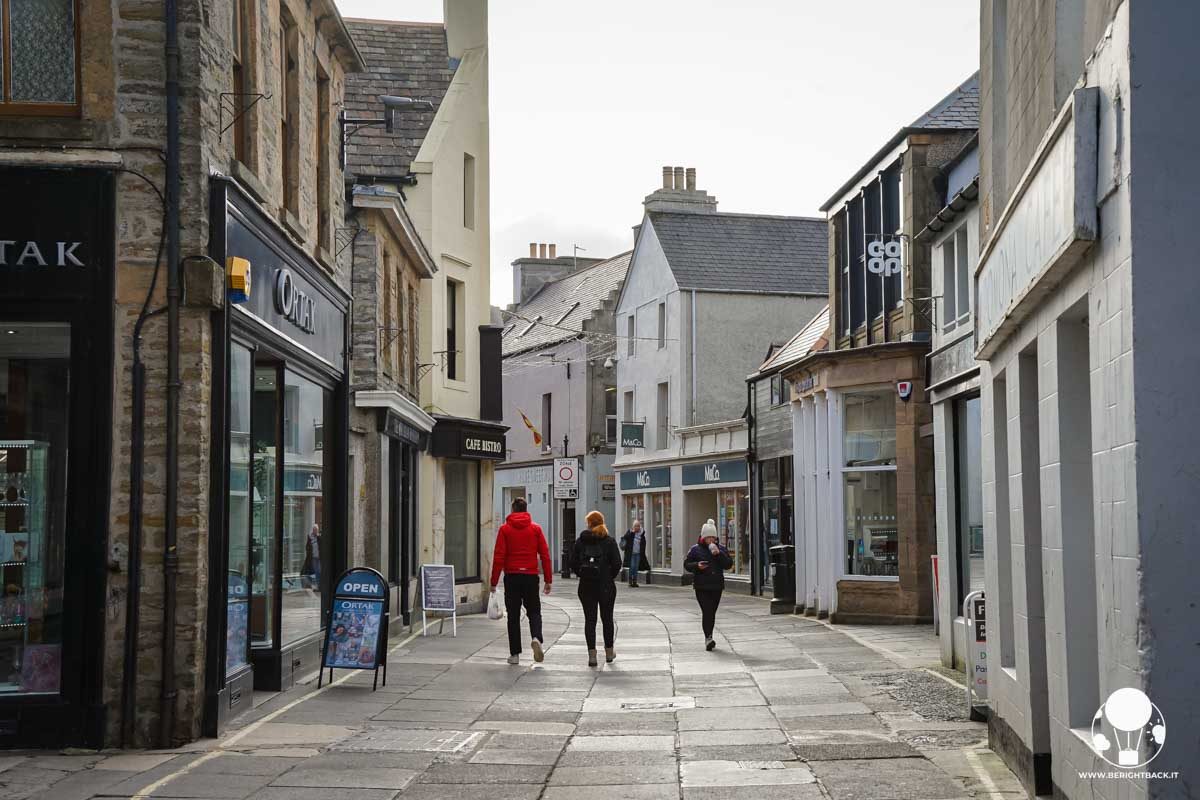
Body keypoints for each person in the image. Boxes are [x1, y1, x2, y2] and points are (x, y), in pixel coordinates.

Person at [490, 497, 553, 665]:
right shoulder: (535, 529)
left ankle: (515, 654)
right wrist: (548, 579)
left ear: (513, 509)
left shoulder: (505, 530)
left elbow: (499, 556)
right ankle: (536, 638)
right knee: (534, 611)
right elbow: (545, 555)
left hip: (512, 576)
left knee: (513, 616)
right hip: (531, 577)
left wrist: (493, 581)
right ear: (526, 510)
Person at [571, 510, 622, 667]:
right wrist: (607, 576)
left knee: (590, 620)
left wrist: (582, 573)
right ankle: (608, 652)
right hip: (605, 586)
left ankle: (592, 655)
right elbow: (617, 564)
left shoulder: (581, 541)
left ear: (589, 523)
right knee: (607, 619)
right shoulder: (609, 541)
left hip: (586, 586)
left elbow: (572, 563)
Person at [684, 519, 734, 651]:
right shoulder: (695, 550)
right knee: (707, 611)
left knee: (712, 612)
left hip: (716, 586)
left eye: (713, 537)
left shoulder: (721, 549)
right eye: (708, 537)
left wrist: (719, 554)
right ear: (703, 537)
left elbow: (728, 564)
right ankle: (708, 638)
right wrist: (696, 566)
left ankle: (709, 636)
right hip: (701, 586)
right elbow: (687, 564)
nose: (711, 540)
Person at [620, 519, 649, 587]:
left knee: (636, 568)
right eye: (635, 526)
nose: (637, 527)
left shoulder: (641, 534)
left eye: (638, 526)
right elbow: (624, 538)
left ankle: (635, 581)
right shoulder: (630, 533)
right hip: (631, 554)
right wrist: (631, 533)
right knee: (632, 566)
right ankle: (630, 581)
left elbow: (643, 544)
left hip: (638, 553)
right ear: (633, 527)